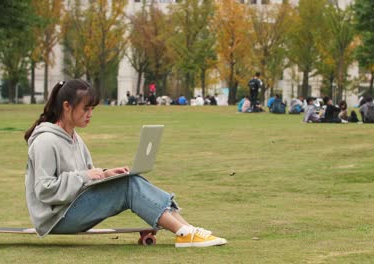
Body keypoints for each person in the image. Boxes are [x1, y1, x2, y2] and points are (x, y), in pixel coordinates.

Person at [23, 79, 227, 248]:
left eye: (93, 108)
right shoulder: (45, 141)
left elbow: (85, 177)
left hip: (72, 208)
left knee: (130, 179)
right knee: (127, 186)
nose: (90, 113)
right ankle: (184, 234)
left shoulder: (74, 138)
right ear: (66, 106)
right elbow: (44, 189)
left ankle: (188, 230)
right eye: (86, 108)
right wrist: (87, 176)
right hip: (56, 219)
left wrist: (105, 174)